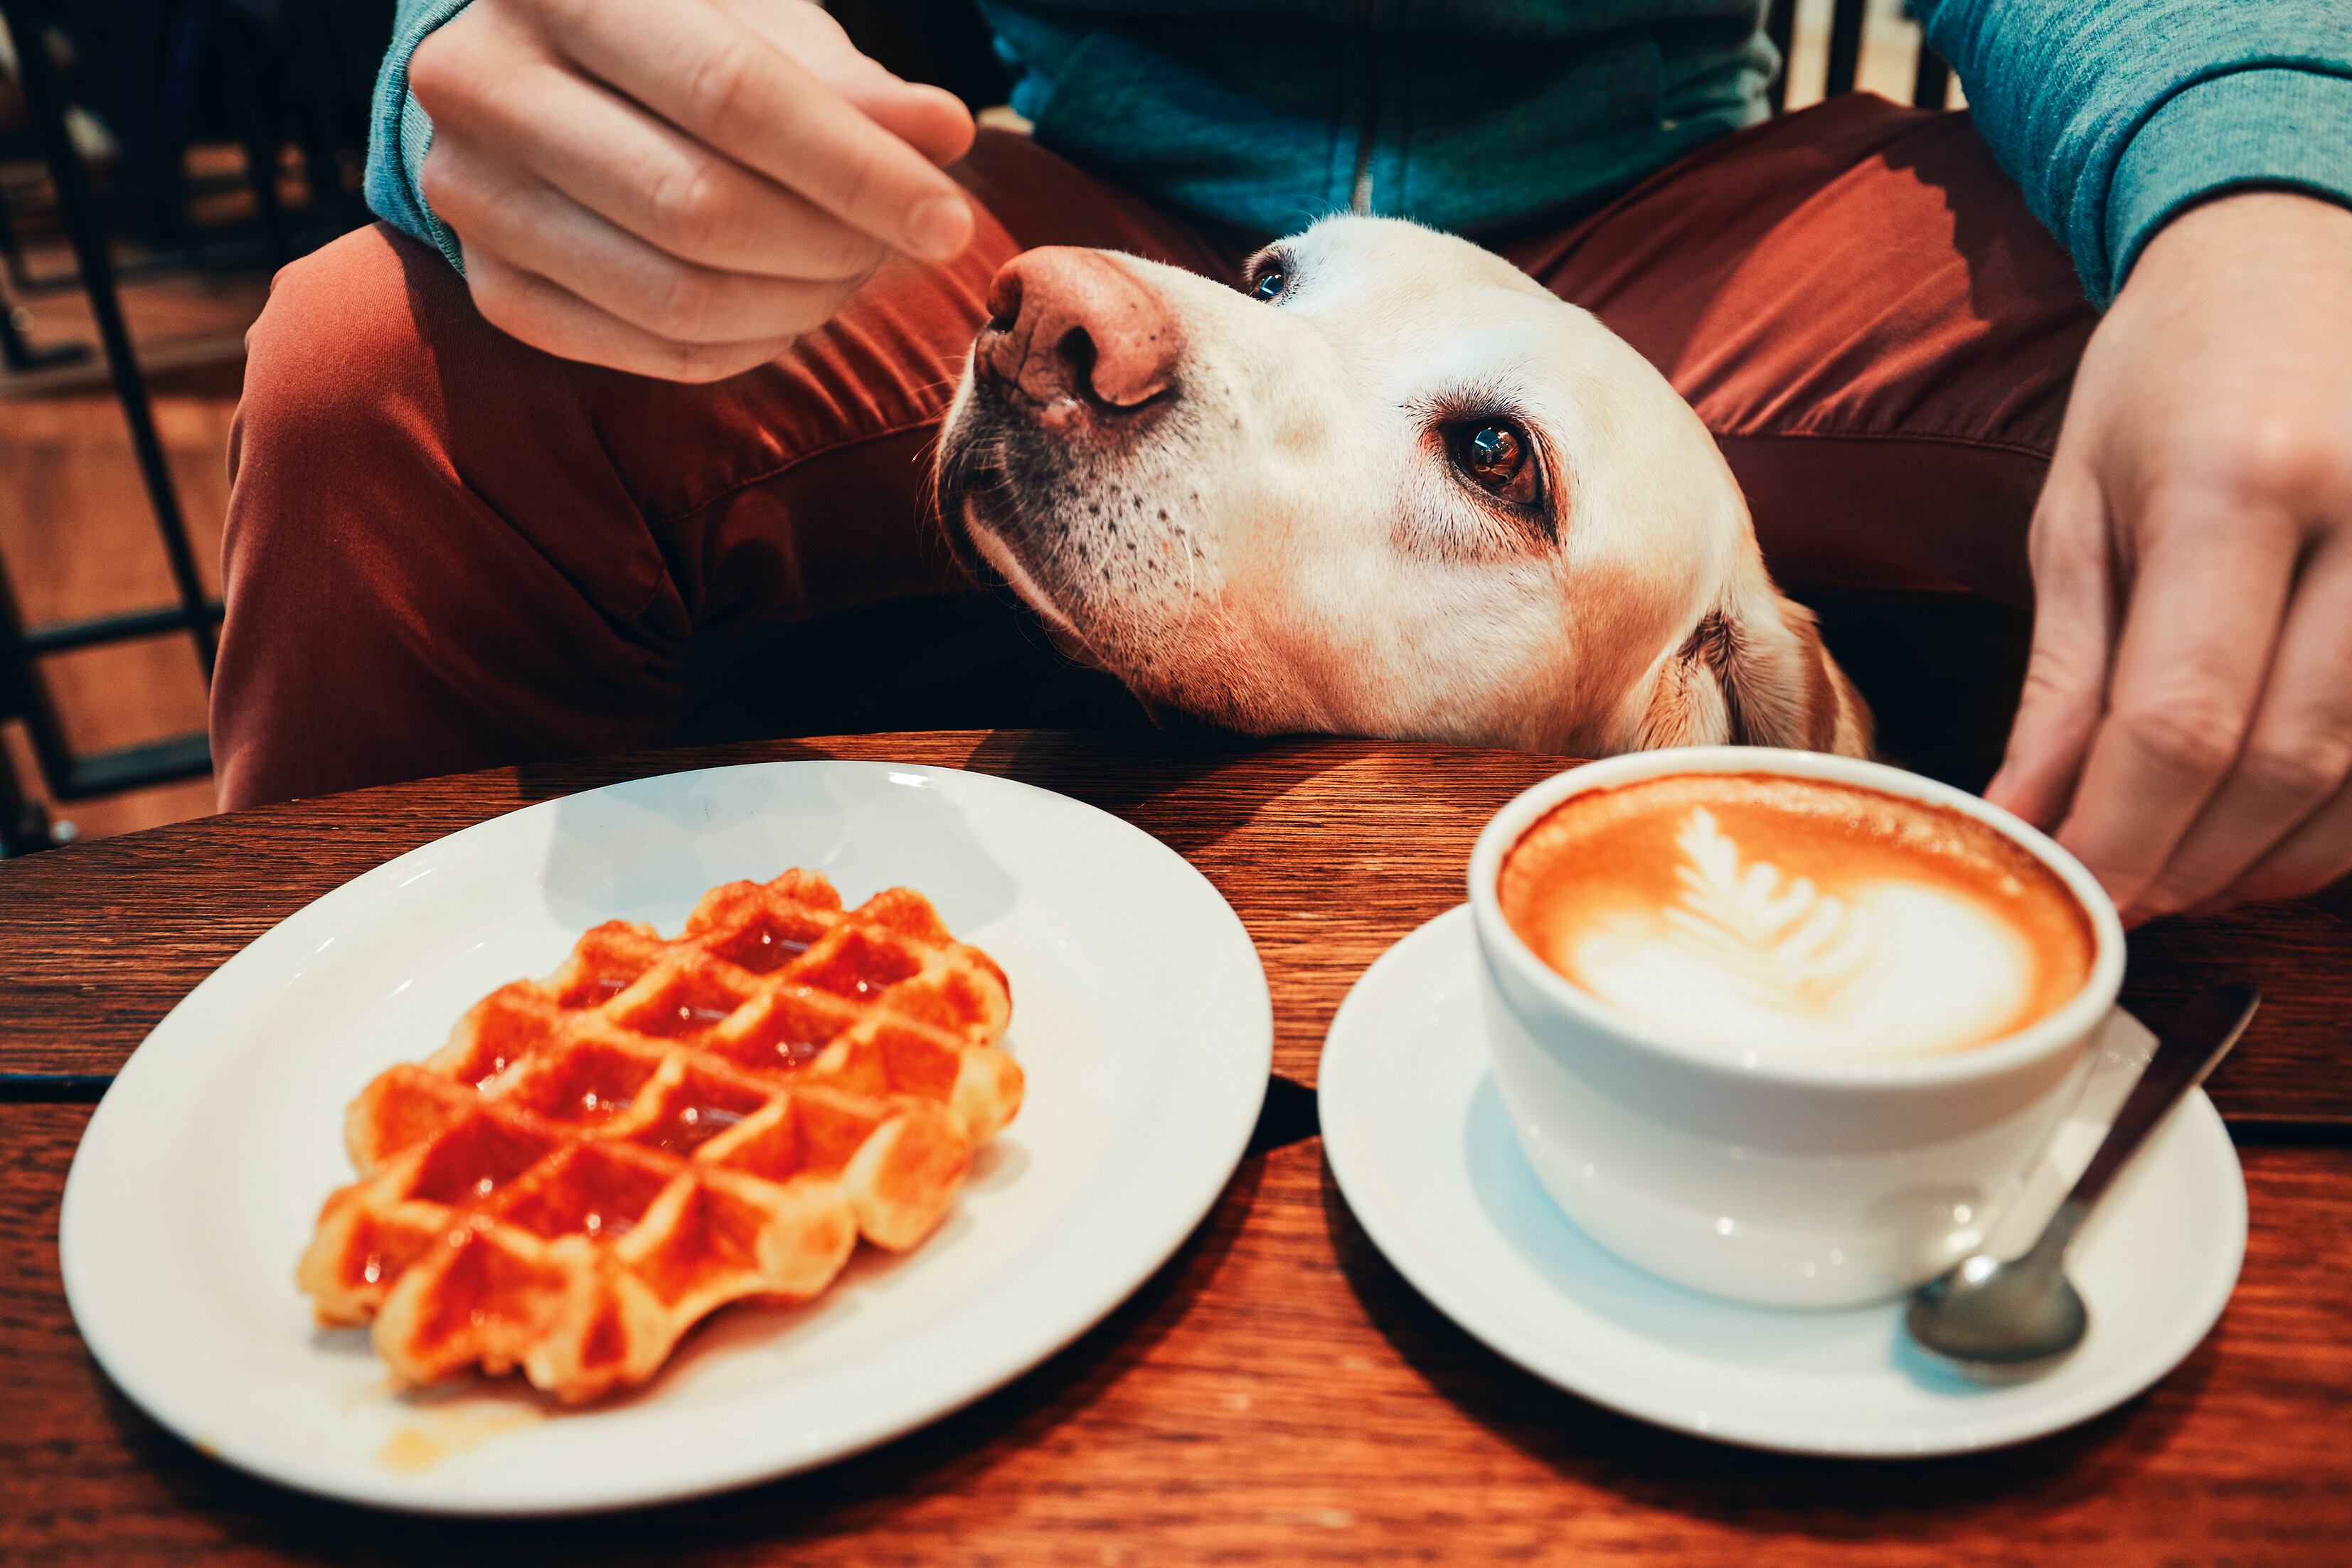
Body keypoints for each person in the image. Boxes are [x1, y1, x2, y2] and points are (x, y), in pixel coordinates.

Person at [213, 0, 2352, 928]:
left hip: (1683, 197)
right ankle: (339, 1083)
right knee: (376, 356)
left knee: (2265, 428)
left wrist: (2266, 190)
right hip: (1107, 183)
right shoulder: (1117, 300)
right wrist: (496, 73)